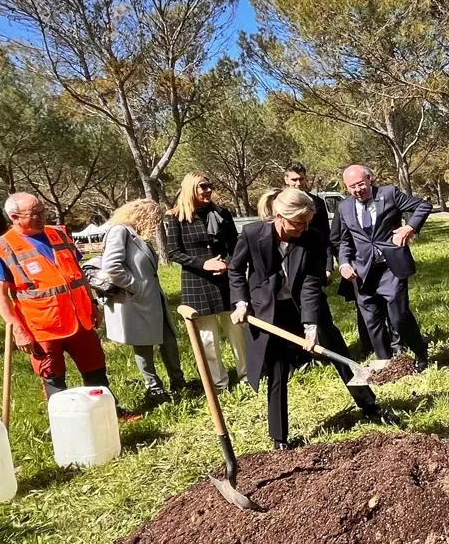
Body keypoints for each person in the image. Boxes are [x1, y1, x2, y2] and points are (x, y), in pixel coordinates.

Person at [228, 187, 396, 449]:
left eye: (307, 222)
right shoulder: (252, 234)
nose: (303, 228)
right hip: (270, 310)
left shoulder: (313, 238)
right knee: (277, 370)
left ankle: (370, 406)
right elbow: (236, 270)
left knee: (338, 354)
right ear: (279, 217)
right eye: (298, 223)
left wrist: (310, 325)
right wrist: (241, 302)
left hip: (307, 304)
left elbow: (310, 284)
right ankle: (280, 438)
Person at [0, 193, 133, 415]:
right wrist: (18, 330)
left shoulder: (59, 234)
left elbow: (78, 274)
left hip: (79, 320)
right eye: (34, 214)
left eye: (42, 211)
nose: (41, 217)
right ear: (15, 217)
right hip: (43, 328)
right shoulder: (3, 247)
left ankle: (108, 413)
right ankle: (64, 420)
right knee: (53, 376)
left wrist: (92, 304)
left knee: (95, 368)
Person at [282, 161, 380, 369]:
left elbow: (326, 238)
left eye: (301, 179)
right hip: (287, 266)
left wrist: (328, 266)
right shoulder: (279, 203)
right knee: (290, 312)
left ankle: (329, 354)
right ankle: (301, 358)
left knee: (318, 310)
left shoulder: (316, 203)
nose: (298, 183)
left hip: (312, 263)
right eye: (294, 179)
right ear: (286, 180)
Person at [334, 164, 432, 371]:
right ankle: (385, 362)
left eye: (360, 184)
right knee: (372, 320)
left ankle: (420, 350)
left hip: (390, 267)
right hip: (362, 271)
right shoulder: (344, 207)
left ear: (369, 179)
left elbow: (423, 206)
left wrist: (409, 227)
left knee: (399, 316)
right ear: (346, 187)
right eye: (352, 186)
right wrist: (343, 263)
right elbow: (345, 240)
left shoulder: (389, 194)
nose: (357, 190)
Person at [162, 172, 247, 391]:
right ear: (191, 189)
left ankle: (246, 376)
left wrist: (227, 263)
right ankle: (219, 384)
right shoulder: (175, 217)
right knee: (208, 339)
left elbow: (235, 245)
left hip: (225, 280)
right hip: (197, 282)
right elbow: (173, 252)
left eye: (210, 186)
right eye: (203, 186)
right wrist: (204, 264)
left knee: (237, 331)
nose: (208, 190)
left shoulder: (221, 213)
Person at [98, 198, 187, 403]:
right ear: (144, 216)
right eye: (154, 219)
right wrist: (135, 287)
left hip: (153, 299)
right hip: (135, 301)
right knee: (143, 345)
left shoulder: (137, 235)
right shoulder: (120, 231)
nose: (155, 225)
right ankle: (154, 388)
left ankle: (178, 382)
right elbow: (111, 266)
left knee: (168, 339)